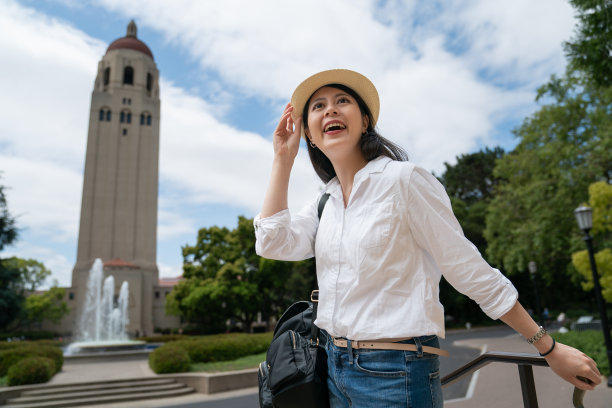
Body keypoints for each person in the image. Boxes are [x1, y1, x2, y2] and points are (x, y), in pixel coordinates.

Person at [254, 69, 601, 407]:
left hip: (395, 371)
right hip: (331, 369)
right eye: (318, 106)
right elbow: (271, 242)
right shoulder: (324, 203)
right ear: (310, 135)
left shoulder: (404, 181)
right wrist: (282, 159)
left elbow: (469, 270)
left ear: (364, 121)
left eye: (342, 100)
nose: (330, 108)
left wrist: (548, 347)